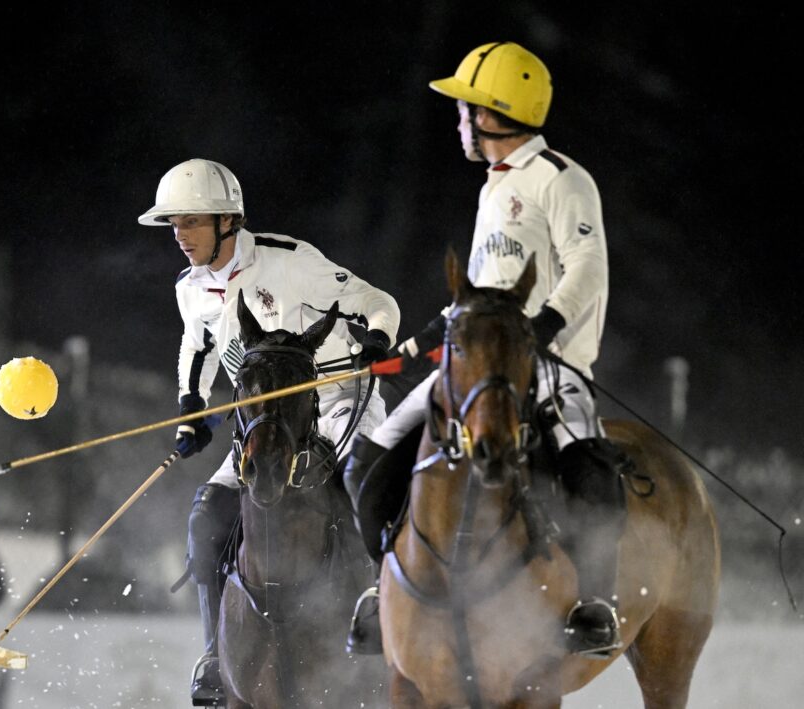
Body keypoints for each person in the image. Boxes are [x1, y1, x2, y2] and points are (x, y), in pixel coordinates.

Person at [344, 41, 626, 660]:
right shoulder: (491, 189)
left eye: (466, 108)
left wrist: (544, 327)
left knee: (589, 461)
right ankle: (382, 587)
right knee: (369, 456)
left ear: (493, 114)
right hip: (474, 361)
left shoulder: (561, 178)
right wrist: (412, 346)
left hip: (547, 362)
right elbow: (478, 290)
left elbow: (588, 266)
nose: (460, 121)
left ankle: (595, 605)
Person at [138, 158, 400, 705]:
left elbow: (379, 303)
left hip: (335, 402)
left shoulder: (292, 261)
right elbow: (197, 346)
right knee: (207, 511)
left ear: (228, 220)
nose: (180, 236)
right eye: (174, 225)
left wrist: (375, 341)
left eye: (191, 222)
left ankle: (381, 613)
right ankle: (215, 652)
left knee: (361, 489)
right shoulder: (191, 287)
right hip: (263, 420)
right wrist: (191, 406)